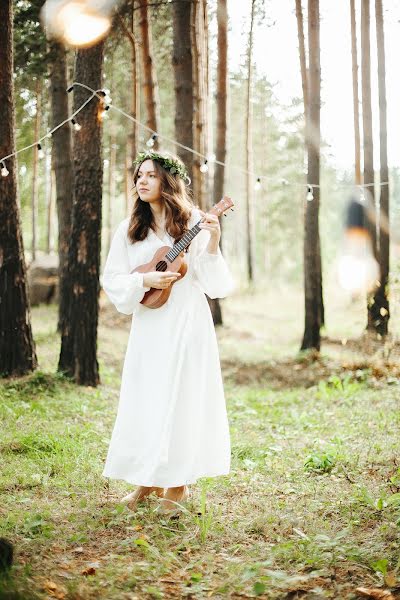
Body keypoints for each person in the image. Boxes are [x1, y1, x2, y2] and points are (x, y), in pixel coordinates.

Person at [101, 150, 234, 514]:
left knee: (183, 398)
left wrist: (214, 241)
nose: (141, 181)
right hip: (150, 325)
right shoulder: (130, 228)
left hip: (188, 321)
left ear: (168, 181)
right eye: (138, 175)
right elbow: (112, 278)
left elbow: (216, 284)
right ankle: (147, 481)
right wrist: (145, 278)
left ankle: (177, 487)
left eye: (150, 175)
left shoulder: (194, 220)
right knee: (149, 399)